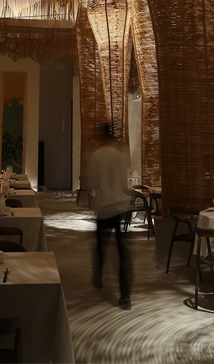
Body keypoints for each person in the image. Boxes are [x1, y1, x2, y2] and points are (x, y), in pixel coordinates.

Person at [89, 125, 132, 309]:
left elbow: (93, 182)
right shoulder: (120, 156)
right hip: (120, 206)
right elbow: (123, 183)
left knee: (101, 244)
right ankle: (125, 296)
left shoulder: (97, 156)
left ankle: (98, 276)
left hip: (105, 205)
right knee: (122, 251)